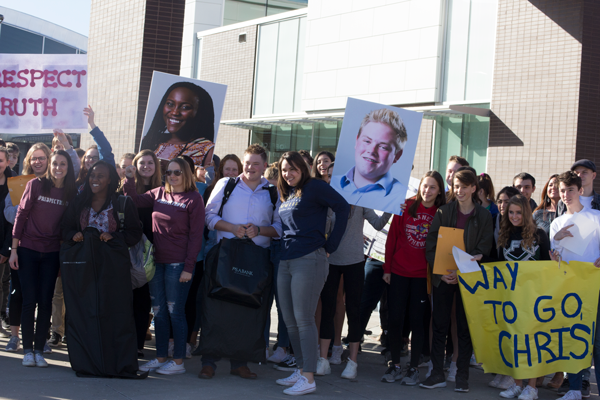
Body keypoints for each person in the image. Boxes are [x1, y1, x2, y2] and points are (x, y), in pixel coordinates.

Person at [201, 144, 282, 380]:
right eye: (247, 162)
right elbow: (208, 216)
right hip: (224, 255)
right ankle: (209, 362)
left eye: (256, 163)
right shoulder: (227, 184)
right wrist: (232, 228)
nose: (250, 167)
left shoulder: (274, 192)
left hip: (256, 260)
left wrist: (259, 230)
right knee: (216, 308)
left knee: (248, 312)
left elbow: (279, 228)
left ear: (265, 165)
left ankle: (240, 363)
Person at [274, 151, 350, 396]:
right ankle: (301, 368)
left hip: (309, 259)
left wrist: (331, 245)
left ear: (303, 168)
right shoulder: (287, 192)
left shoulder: (314, 187)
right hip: (286, 259)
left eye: (293, 169)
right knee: (290, 320)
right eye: (284, 170)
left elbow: (343, 206)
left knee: (304, 319)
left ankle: (309, 377)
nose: (288, 174)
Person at [60, 161, 143, 377]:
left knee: (115, 316)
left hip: (113, 271)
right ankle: (88, 363)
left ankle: (117, 364)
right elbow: (65, 227)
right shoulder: (79, 202)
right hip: (84, 271)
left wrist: (115, 237)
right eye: (92, 175)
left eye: (101, 176)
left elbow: (134, 233)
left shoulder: (122, 203)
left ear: (110, 180)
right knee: (85, 315)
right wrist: (73, 235)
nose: (95, 179)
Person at [124, 157, 205, 375]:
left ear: (186, 174)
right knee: (159, 311)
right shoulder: (159, 193)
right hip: (156, 263)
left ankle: (177, 362)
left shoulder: (194, 198)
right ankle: (160, 357)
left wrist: (189, 267)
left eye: (177, 172)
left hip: (179, 264)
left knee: (175, 311)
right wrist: (130, 178)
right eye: (169, 172)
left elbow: (197, 236)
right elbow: (132, 200)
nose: (172, 176)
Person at [421, 170, 493, 393]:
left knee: (464, 326)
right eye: (456, 186)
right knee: (439, 324)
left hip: (468, 278)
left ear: (474, 189)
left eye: (464, 186)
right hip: (443, 277)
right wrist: (441, 272)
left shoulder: (483, 216)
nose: (459, 191)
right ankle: (437, 374)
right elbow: (431, 245)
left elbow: (484, 247)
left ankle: (462, 376)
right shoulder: (444, 211)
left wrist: (465, 269)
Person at [10, 150, 77, 368]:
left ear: (68, 168)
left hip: (52, 253)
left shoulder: (71, 191)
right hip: (28, 249)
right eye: (55, 163)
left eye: (63, 164)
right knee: (29, 301)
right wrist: (13, 250)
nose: (58, 167)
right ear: (49, 165)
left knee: (46, 302)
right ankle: (27, 350)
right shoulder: (36, 184)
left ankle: (40, 350)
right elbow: (21, 215)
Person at [381, 171, 446, 385]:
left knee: (418, 321)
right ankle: (395, 365)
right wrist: (387, 269)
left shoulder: (440, 214)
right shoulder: (405, 206)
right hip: (398, 272)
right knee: (395, 318)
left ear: (439, 191)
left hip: (421, 276)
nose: (427, 191)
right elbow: (392, 239)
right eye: (424, 186)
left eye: (432, 187)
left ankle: (414, 367)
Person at [317, 201, 391, 379]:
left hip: (355, 262)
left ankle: (352, 362)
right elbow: (323, 225)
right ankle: (323, 360)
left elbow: (379, 224)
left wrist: (390, 208)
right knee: (328, 309)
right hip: (331, 260)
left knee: (354, 310)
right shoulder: (330, 199)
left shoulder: (362, 201)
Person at [550, 171, 600, 400]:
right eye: (562, 190)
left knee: (597, 340)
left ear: (580, 191)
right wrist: (556, 240)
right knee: (573, 336)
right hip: (569, 288)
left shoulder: (597, 217)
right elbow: (554, 260)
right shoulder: (556, 223)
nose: (566, 194)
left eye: (570, 189)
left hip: (595, 286)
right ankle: (574, 388)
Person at [495, 195, 550, 400]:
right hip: (510, 298)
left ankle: (532, 388)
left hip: (534, 299)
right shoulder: (504, 235)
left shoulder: (540, 235)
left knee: (532, 343)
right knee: (514, 341)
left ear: (526, 213)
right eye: (511, 212)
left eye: (518, 212)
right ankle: (517, 384)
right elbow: (497, 266)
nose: (514, 216)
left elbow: (548, 267)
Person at [331, 109, 408, 215]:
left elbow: (378, 225)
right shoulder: (331, 184)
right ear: (356, 141)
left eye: (383, 147)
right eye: (367, 141)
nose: (372, 151)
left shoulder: (399, 199)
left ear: (397, 155)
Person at [125, 150, 162, 357]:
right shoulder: (128, 186)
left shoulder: (164, 189)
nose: (146, 166)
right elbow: (129, 204)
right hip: (130, 250)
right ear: (135, 166)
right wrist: (129, 180)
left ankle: (138, 345)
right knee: (127, 299)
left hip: (152, 252)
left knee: (143, 301)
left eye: (150, 162)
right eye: (142, 163)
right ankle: (125, 342)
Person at [140, 81, 215, 168]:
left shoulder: (207, 149)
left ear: (200, 113)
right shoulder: (150, 140)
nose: (175, 112)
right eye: (170, 104)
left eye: (185, 107)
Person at [0, 148, 15, 341]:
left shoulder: (13, 184)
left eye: (0, 160)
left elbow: (14, 219)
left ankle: (2, 315)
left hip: (3, 242)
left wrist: (5, 248)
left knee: (2, 284)